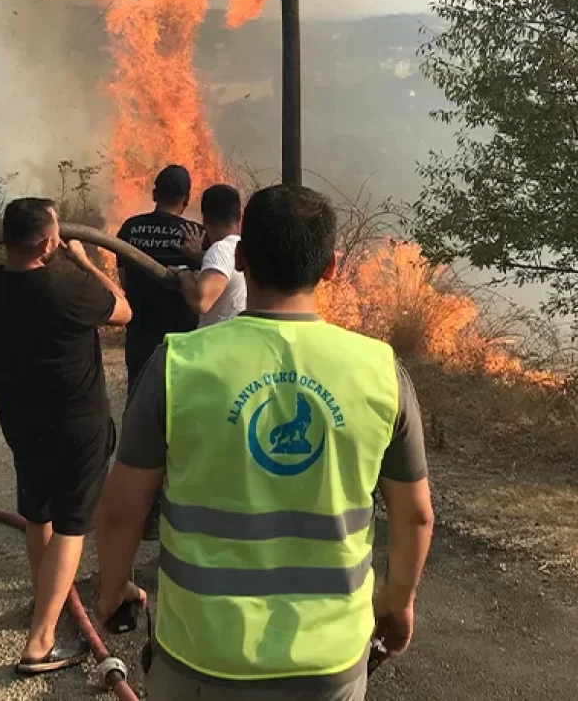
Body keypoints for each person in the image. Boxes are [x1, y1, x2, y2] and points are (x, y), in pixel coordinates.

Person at [94, 184, 435, 701]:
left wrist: (113, 588)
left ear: (240, 258)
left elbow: (121, 511)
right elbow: (415, 517)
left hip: (200, 657)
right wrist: (398, 601)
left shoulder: (178, 365)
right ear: (330, 268)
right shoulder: (380, 371)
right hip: (328, 662)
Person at [0, 197, 132, 676]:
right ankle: (40, 641)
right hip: (77, 424)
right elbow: (123, 311)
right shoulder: (70, 289)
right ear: (49, 242)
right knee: (71, 523)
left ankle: (45, 599)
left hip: (20, 418)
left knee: (38, 511)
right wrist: (85, 261)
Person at [116, 164, 202, 540]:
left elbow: (123, 279)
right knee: (181, 421)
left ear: (154, 193)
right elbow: (204, 288)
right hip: (183, 342)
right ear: (185, 198)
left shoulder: (130, 229)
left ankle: (143, 513)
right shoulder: (196, 233)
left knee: (142, 419)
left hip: (140, 338)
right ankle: (177, 504)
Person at [170, 183, 246, 328]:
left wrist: (183, 272)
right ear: (240, 216)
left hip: (219, 339)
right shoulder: (244, 248)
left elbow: (200, 302)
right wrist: (198, 254)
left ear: (204, 220)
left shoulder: (220, 249)